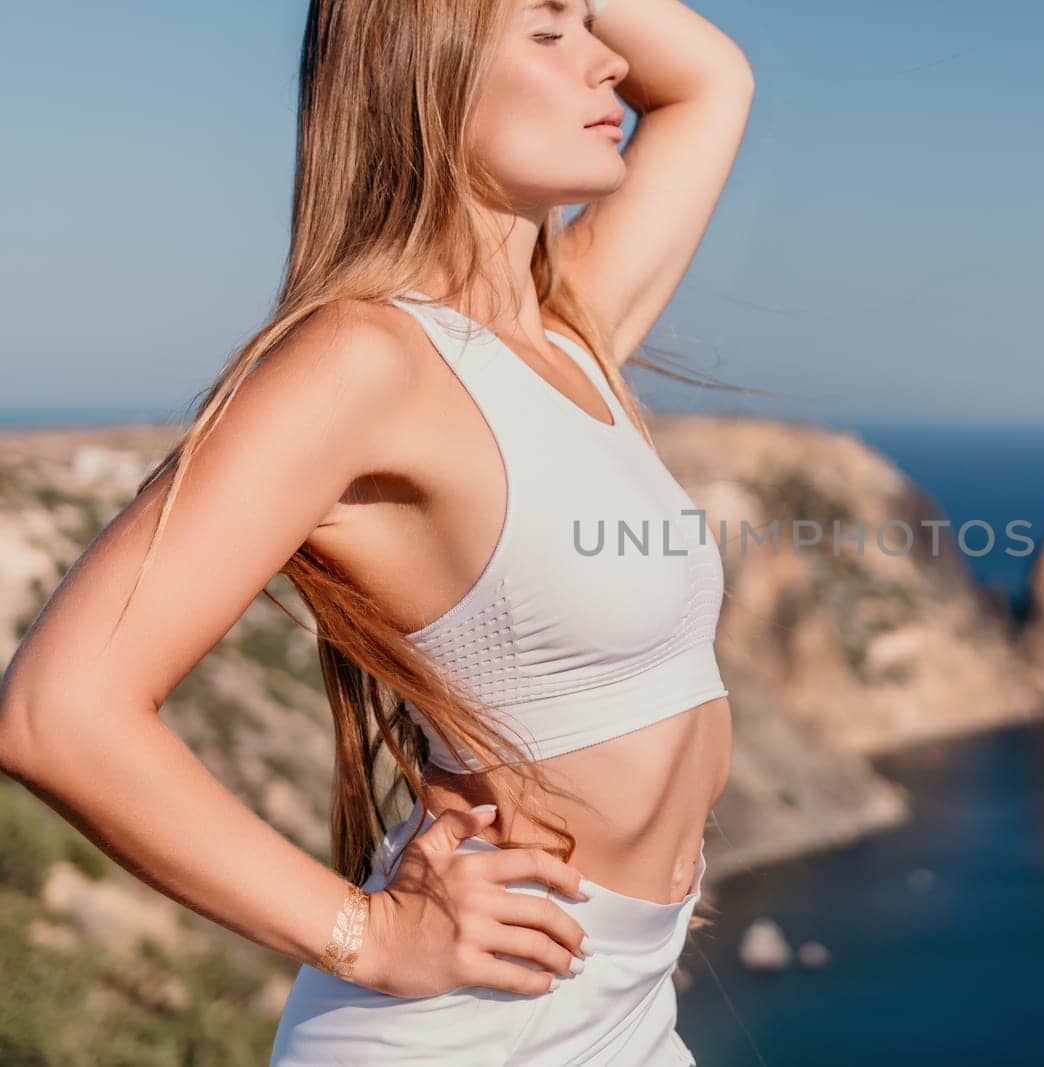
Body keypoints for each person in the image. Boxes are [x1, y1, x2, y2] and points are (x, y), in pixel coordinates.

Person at [0, 0, 754, 1062]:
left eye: (591, 21)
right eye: (548, 35)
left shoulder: (568, 330)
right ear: (423, 76)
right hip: (474, 1030)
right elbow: (56, 711)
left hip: (623, 1006)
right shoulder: (363, 360)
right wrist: (368, 935)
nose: (609, 61)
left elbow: (711, 78)